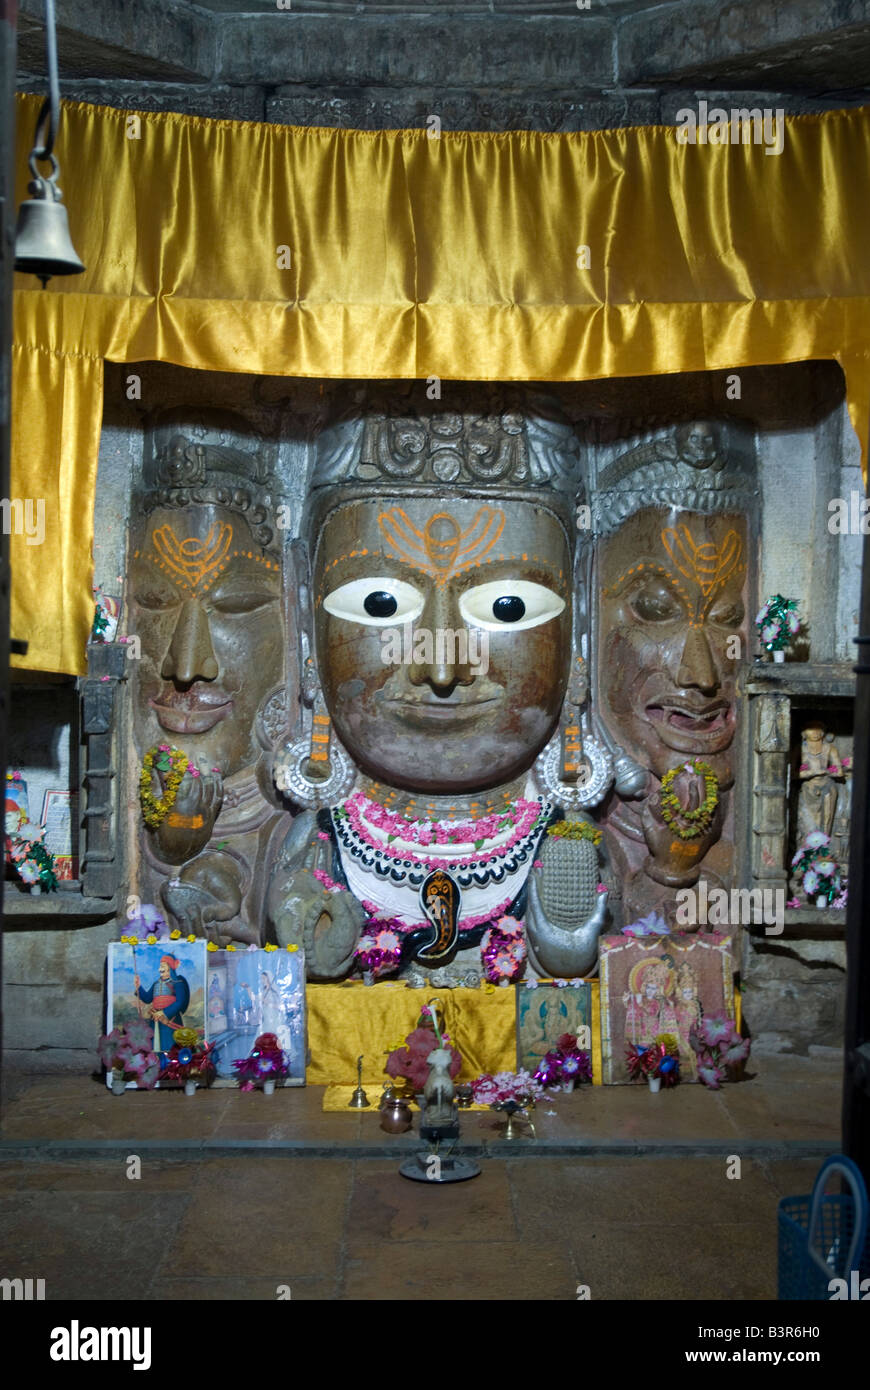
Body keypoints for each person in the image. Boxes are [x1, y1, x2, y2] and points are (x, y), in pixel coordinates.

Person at [133, 954, 190, 1051]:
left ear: (169, 968)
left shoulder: (178, 983)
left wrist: (164, 1012)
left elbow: (179, 1002)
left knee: (170, 1045)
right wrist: (138, 986)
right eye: (160, 966)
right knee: (154, 1045)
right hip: (155, 1019)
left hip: (171, 1019)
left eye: (163, 966)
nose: (160, 969)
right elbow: (147, 998)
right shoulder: (156, 983)